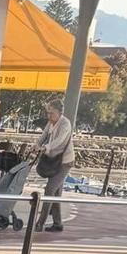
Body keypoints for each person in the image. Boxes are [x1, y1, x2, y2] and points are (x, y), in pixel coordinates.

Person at [36, 99, 74, 232]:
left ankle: (40, 223)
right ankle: (58, 224)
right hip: (54, 160)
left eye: (51, 113)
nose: (49, 116)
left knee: (49, 190)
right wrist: (36, 145)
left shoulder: (65, 124)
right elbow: (44, 134)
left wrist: (45, 148)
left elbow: (60, 141)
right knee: (56, 194)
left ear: (59, 113)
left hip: (64, 162)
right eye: (48, 113)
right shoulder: (51, 123)